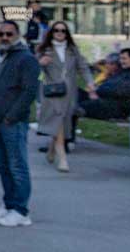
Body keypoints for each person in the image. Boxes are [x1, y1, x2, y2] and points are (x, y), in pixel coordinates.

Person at [0, 21, 41, 227]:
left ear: (17, 34)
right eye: (1, 34)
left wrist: (12, 116)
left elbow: (29, 91)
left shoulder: (26, 58)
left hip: (11, 121)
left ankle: (20, 210)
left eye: (9, 34)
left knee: (17, 166)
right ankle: (9, 204)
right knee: (3, 165)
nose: (5, 38)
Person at [35, 20, 92, 173]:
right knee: (58, 119)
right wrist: (41, 63)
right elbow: (34, 71)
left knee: (63, 120)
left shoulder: (72, 50)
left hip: (69, 92)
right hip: (51, 91)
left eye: (63, 31)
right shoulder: (43, 49)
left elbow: (83, 67)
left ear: (67, 34)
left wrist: (90, 83)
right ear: (51, 33)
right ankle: (63, 158)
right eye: (56, 30)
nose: (60, 33)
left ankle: (51, 149)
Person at [81, 48, 130, 119]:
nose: (121, 61)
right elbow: (109, 83)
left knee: (79, 107)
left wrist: (97, 92)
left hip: (117, 107)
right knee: (75, 93)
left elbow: (124, 91)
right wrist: (95, 91)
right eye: (120, 59)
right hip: (102, 98)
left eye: (124, 58)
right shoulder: (124, 70)